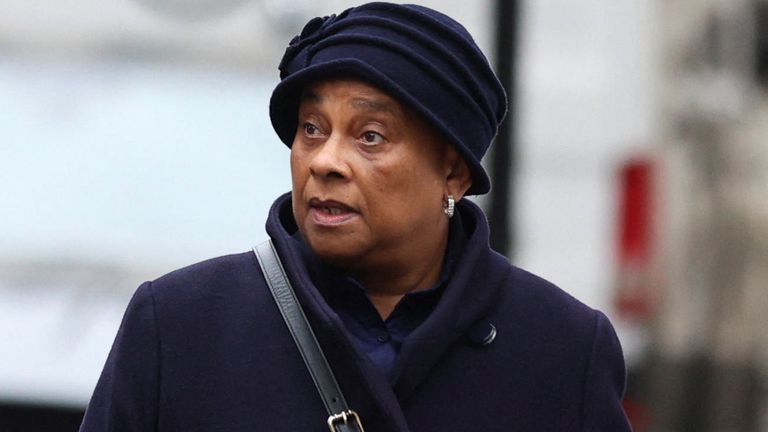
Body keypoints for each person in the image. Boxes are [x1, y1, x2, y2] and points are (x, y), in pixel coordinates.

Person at [80, 2, 631, 431]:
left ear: (454, 174)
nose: (325, 162)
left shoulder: (561, 350)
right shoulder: (180, 325)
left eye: (370, 137)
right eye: (311, 129)